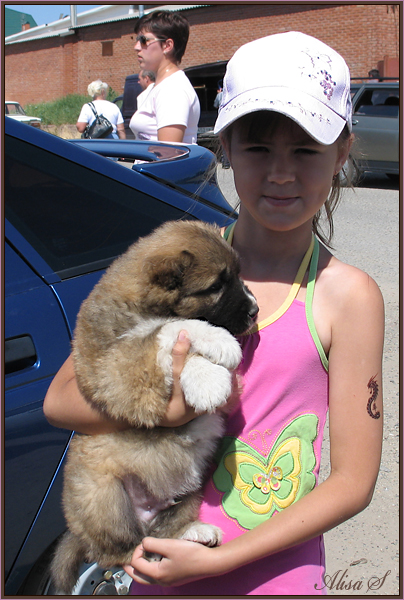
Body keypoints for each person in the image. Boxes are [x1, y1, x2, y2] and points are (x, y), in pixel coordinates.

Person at [44, 32, 384, 595]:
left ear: (342, 152)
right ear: (224, 144)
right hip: (157, 565)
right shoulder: (180, 264)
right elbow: (61, 401)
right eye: (256, 148)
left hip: (276, 578)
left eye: (305, 150)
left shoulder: (347, 296)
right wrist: (165, 410)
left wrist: (222, 561)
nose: (280, 173)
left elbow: (352, 480)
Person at [129, 10, 200, 143]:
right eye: (137, 40)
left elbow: (169, 156)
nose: (136, 47)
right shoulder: (161, 87)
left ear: (167, 46)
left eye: (143, 40)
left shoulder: (172, 89)